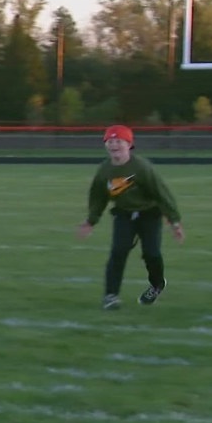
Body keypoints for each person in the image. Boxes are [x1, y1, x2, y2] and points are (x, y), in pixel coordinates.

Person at [77, 124, 185, 310]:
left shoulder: (141, 167)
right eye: (110, 141)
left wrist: (174, 221)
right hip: (124, 214)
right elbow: (98, 197)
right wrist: (91, 221)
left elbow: (161, 193)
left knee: (151, 253)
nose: (114, 145)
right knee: (118, 252)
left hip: (149, 214)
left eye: (118, 141)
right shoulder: (104, 170)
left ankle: (157, 284)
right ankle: (111, 295)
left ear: (129, 144)